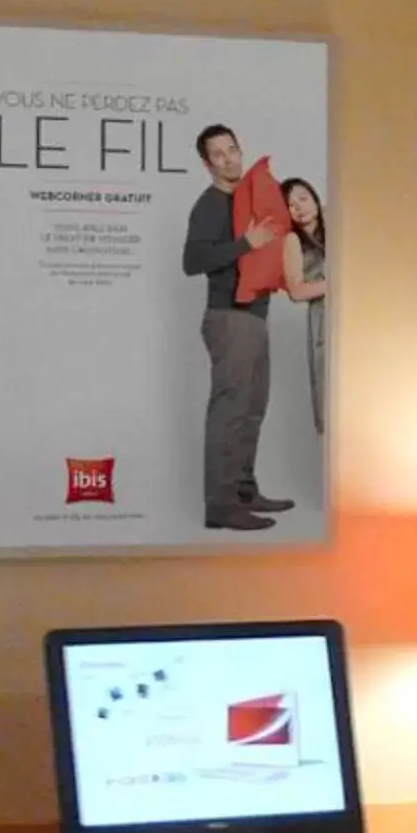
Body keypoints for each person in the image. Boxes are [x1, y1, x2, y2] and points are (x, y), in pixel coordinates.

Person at [181, 124, 286, 532]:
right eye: (218, 155)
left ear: (241, 151)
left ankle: (244, 491)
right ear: (207, 164)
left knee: (252, 409)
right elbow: (192, 262)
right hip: (228, 318)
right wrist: (247, 243)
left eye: (232, 150)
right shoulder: (209, 205)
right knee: (229, 412)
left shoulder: (250, 199)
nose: (228, 159)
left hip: (256, 315)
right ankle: (220, 506)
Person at [280, 176, 329, 436]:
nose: (299, 207)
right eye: (290, 205)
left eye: (303, 198)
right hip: (324, 316)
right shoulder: (292, 240)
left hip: (359, 312)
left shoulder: (336, 221)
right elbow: (296, 291)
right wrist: (337, 286)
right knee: (330, 386)